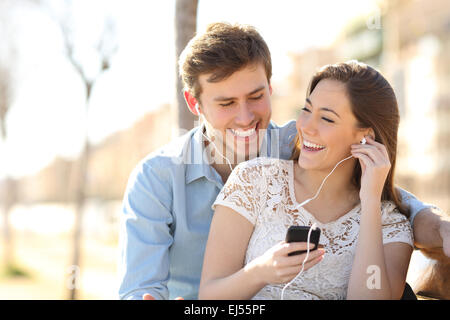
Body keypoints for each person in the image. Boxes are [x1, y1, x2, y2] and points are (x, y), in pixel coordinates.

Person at [118, 23, 448, 300]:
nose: (246, 117)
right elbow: (141, 287)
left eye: (256, 97)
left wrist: (442, 229)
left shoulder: (302, 141)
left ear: (270, 87)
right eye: (227, 102)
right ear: (194, 103)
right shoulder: (156, 178)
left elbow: (399, 203)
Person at [198, 61, 436, 300]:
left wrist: (371, 201)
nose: (306, 127)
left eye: (327, 119)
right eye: (307, 110)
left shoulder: (389, 222)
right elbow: (209, 297)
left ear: (366, 137)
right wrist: (261, 272)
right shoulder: (253, 180)